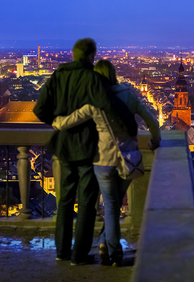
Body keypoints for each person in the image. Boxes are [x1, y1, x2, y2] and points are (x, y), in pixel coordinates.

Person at [51, 59, 161, 266]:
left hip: (102, 160)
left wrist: (55, 121)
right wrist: (155, 141)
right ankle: (111, 250)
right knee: (115, 205)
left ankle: (110, 248)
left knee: (110, 207)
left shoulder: (95, 100)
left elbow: (67, 122)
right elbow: (153, 122)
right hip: (128, 159)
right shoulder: (129, 94)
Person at [34, 38, 128, 265]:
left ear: (73, 54)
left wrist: (57, 122)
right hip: (88, 147)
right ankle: (79, 254)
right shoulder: (93, 79)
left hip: (63, 146)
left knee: (64, 201)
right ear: (91, 55)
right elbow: (109, 108)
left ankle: (61, 251)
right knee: (87, 201)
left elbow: (39, 109)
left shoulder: (57, 76)